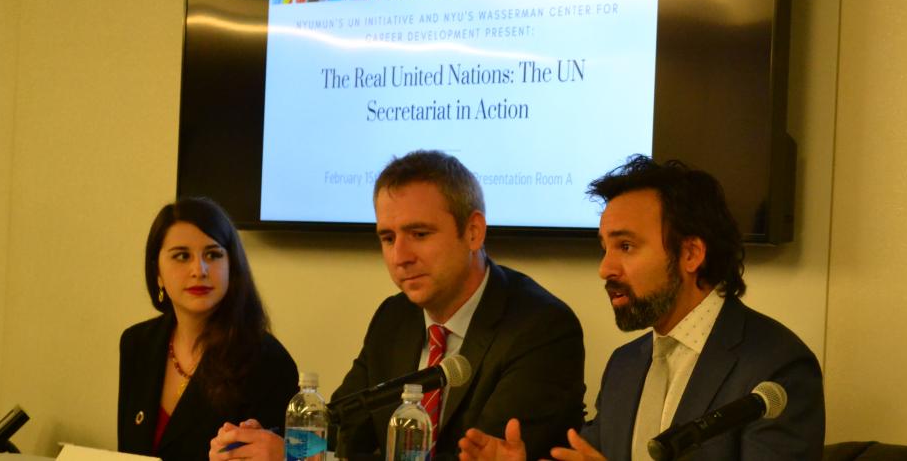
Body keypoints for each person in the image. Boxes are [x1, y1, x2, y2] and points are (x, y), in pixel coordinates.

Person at [209, 150, 585, 461]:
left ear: (473, 231)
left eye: (419, 234)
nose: (400, 256)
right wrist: (271, 444)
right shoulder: (395, 317)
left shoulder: (541, 328)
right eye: (388, 238)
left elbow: (474, 456)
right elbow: (342, 427)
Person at [460, 155, 824, 461]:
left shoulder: (776, 368)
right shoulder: (625, 365)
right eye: (604, 248)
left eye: (626, 247)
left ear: (690, 253)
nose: (605, 269)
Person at [119, 197, 298, 461]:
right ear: (157, 271)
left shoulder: (267, 359)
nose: (198, 270)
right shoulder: (137, 343)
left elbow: (298, 455)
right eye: (182, 256)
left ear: (231, 267)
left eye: (213, 255)